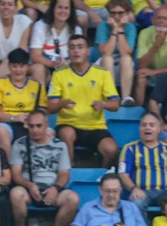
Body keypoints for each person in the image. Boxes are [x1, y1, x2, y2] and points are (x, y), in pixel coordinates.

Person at [48, 33, 119, 164]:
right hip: (68, 124)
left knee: (111, 150)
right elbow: (50, 107)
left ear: (88, 51)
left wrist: (103, 104)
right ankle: (69, 171)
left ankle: (102, 175)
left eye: (80, 47)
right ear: (68, 52)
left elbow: (115, 104)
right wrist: (61, 104)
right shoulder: (59, 74)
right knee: (67, 134)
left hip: (96, 126)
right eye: (72, 47)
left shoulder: (102, 73)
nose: (76, 51)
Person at [8, 111, 78, 226]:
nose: (34, 130)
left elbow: (64, 174)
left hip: (52, 188)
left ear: (46, 125)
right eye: (31, 126)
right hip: (28, 189)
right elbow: (16, 174)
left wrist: (55, 188)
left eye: (39, 126)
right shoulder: (19, 144)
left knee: (73, 198)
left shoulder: (60, 145)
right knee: (16, 194)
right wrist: (29, 185)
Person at [117, 112, 167, 208]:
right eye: (143, 125)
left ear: (159, 129)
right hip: (140, 191)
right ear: (139, 128)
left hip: (164, 192)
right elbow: (123, 174)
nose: (147, 128)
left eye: (152, 125)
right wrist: (133, 189)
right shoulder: (129, 148)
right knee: (137, 202)